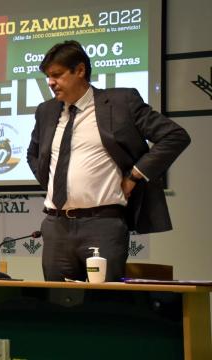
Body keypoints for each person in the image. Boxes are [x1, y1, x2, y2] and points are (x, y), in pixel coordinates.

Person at [27, 40, 190, 282]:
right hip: (55, 225)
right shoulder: (46, 111)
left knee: (102, 307)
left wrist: (135, 175)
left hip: (102, 224)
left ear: (80, 70)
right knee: (56, 307)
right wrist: (54, 184)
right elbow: (34, 154)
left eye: (57, 75)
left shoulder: (121, 103)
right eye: (48, 77)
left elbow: (174, 136)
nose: (50, 82)